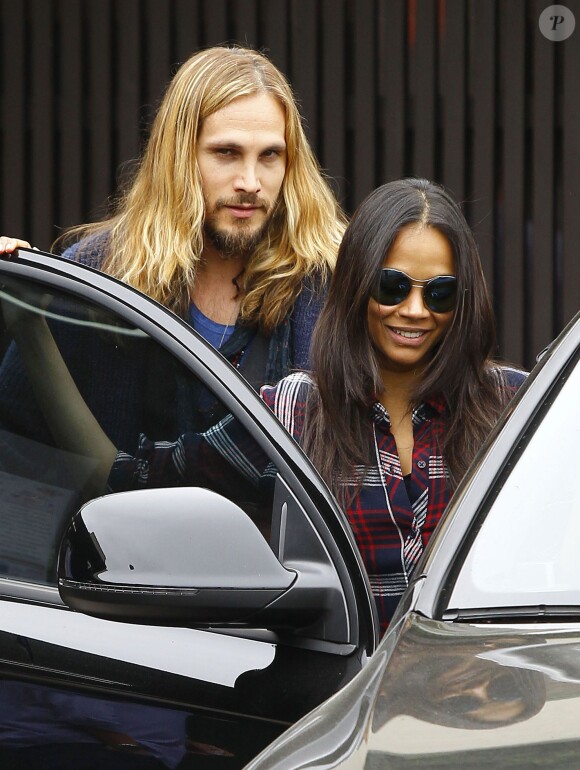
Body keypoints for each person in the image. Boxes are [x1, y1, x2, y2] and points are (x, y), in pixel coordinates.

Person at [1, 179, 527, 633]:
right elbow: (121, 477)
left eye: (439, 293)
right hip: (341, 714)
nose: (414, 310)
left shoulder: (512, 406)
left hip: (475, 710)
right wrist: (30, 329)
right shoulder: (300, 410)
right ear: (357, 283)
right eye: (391, 286)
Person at [0, 44, 345, 442]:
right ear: (179, 156)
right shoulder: (98, 270)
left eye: (270, 155)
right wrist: (29, 290)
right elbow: (20, 444)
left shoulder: (328, 282)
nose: (250, 183)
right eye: (226, 153)